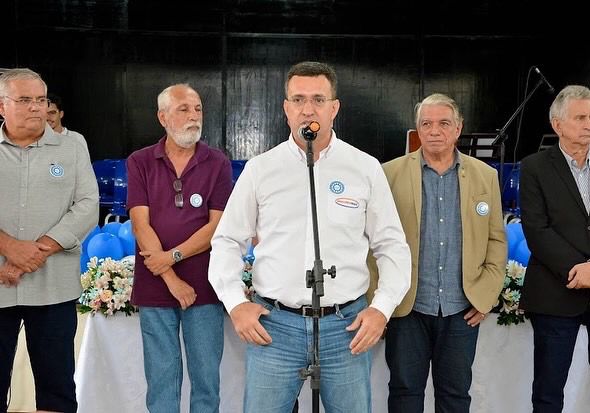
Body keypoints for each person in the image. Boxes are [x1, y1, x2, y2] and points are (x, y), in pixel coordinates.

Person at [209, 61, 411, 413]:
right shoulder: (261, 169)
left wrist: (381, 309)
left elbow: (391, 244)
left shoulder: (363, 167)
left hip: (345, 328)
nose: (308, 109)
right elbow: (227, 240)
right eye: (298, 99)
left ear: (334, 108)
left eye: (318, 99)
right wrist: (235, 303)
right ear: (286, 109)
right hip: (275, 327)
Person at [368, 93, 507, 413]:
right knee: (404, 392)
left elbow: (496, 242)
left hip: (461, 309)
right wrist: (379, 302)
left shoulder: (485, 176)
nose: (435, 131)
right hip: (407, 309)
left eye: (444, 123)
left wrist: (485, 296)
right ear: (417, 129)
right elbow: (371, 244)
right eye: (426, 124)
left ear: (458, 129)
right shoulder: (388, 175)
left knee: (456, 395)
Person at [126, 83, 232, 413]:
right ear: (162, 117)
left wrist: (172, 256)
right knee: (161, 379)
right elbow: (140, 225)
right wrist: (171, 277)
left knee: (206, 380)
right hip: (156, 285)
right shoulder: (140, 161)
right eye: (183, 109)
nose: (193, 116)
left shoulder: (217, 162)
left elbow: (217, 226)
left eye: (198, 109)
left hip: (204, 287)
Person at [0, 68, 99, 413]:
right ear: (2, 106)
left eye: (40, 100)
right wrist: (9, 247)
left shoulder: (73, 146)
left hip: (54, 290)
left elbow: (88, 206)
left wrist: (33, 253)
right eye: (24, 100)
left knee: (56, 388)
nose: (35, 108)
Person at [519, 85, 590, 413]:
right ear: (558, 124)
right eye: (580, 117)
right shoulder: (534, 167)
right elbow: (537, 230)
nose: (589, 124)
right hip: (555, 292)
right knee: (548, 391)